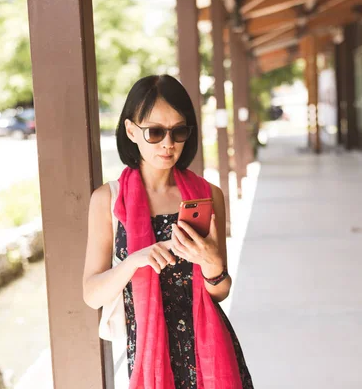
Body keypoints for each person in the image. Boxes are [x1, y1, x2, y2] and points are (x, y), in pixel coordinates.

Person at [82, 75, 253, 389]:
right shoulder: (108, 200)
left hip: (211, 355)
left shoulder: (207, 195)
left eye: (178, 131)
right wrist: (135, 260)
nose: (168, 143)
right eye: (155, 131)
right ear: (131, 130)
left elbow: (220, 291)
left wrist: (212, 263)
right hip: (150, 357)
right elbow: (92, 295)